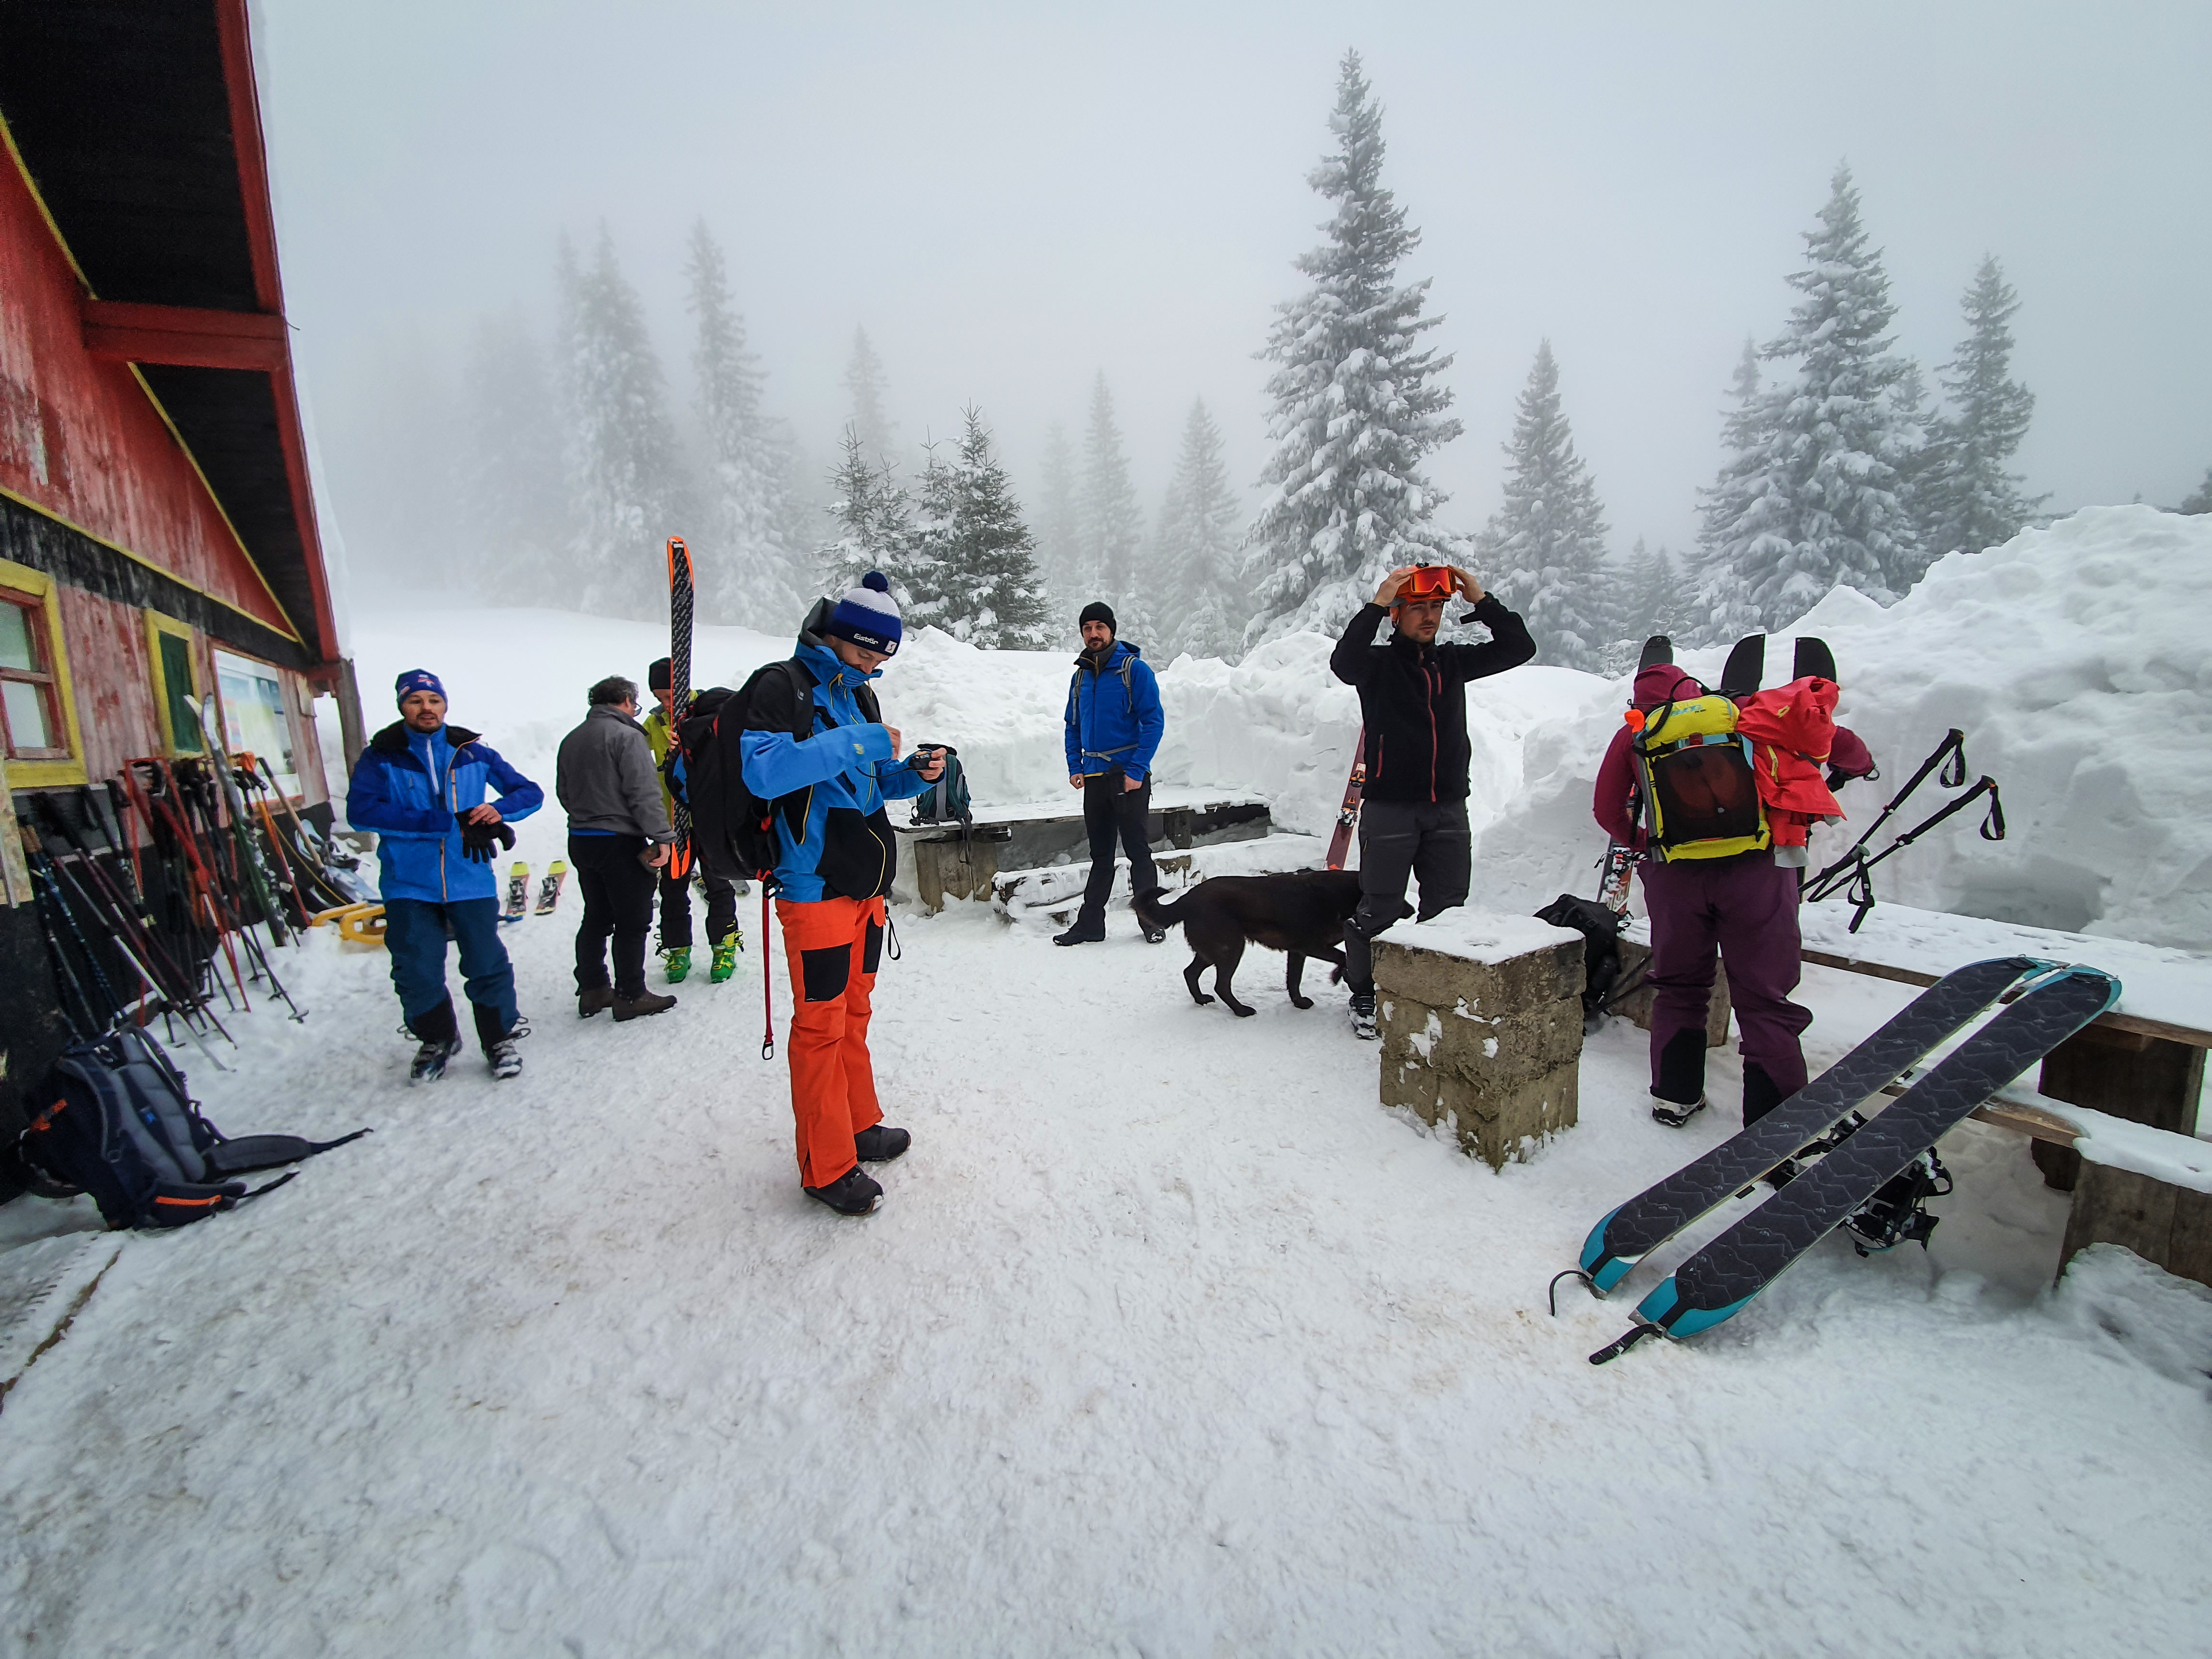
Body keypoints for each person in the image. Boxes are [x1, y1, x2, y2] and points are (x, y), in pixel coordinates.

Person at [740, 573, 947, 1216]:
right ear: (837, 635)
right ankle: (826, 1167)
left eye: (882, 659)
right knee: (821, 1027)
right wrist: (858, 740)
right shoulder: (782, 686)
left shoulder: (860, 695)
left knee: (855, 1014)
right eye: (865, 652)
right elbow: (764, 772)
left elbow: (869, 785)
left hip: (864, 888)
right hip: (814, 890)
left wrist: (912, 774)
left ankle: (858, 1127)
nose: (872, 666)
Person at [1591, 660, 1874, 1127]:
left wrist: (1647, 843)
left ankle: (1674, 1097)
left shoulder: (1636, 734)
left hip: (1675, 879)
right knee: (1764, 1000)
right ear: (1694, 691)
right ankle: (1775, 1126)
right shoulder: (1743, 712)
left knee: (1680, 988)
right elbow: (1834, 740)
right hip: (1756, 872)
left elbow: (1607, 811)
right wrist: (1861, 766)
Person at [1330, 565, 1537, 1038]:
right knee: (1380, 908)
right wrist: (1377, 603)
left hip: (1448, 808)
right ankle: (1364, 992)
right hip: (1390, 807)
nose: (1430, 617)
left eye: (1438, 608)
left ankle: (1432, 992)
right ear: (1397, 614)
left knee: (1448, 909)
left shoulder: (1452, 663)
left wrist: (1482, 601)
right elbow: (1344, 663)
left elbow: (1519, 648)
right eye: (1419, 607)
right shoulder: (1377, 666)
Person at [346, 668, 542, 1083]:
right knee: (415, 968)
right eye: (416, 701)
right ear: (402, 706)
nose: (426, 708)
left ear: (445, 705)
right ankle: (437, 1039)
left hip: (469, 877)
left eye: (434, 701)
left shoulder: (472, 752)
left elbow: (529, 792)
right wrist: (437, 822)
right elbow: (361, 811)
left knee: (486, 963)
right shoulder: (382, 756)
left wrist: (497, 810)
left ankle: (498, 1039)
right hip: (408, 883)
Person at [555, 675, 682, 1022]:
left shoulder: (572, 739)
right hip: (619, 841)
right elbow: (643, 793)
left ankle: (593, 987)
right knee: (632, 919)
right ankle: (631, 994)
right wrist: (662, 837)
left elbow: (564, 792)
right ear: (627, 700)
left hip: (581, 838)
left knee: (596, 915)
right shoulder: (627, 737)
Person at [1056, 601, 1166, 947]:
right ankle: (1091, 925)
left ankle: (1151, 920)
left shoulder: (1134, 670)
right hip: (1094, 777)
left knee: (1138, 852)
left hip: (1127, 776)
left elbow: (1154, 722)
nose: (1094, 634)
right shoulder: (1080, 677)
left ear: (1111, 631)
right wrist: (1076, 766)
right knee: (1101, 855)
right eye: (1087, 628)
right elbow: (1073, 726)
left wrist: (1137, 770)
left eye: (1100, 627)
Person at [642, 656, 744, 985]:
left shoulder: (711, 710)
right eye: (658, 698)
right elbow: (635, 751)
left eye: (668, 696)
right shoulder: (655, 723)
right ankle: (677, 949)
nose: (665, 704)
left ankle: (724, 946)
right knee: (673, 885)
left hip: (710, 815)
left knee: (718, 883)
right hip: (673, 820)